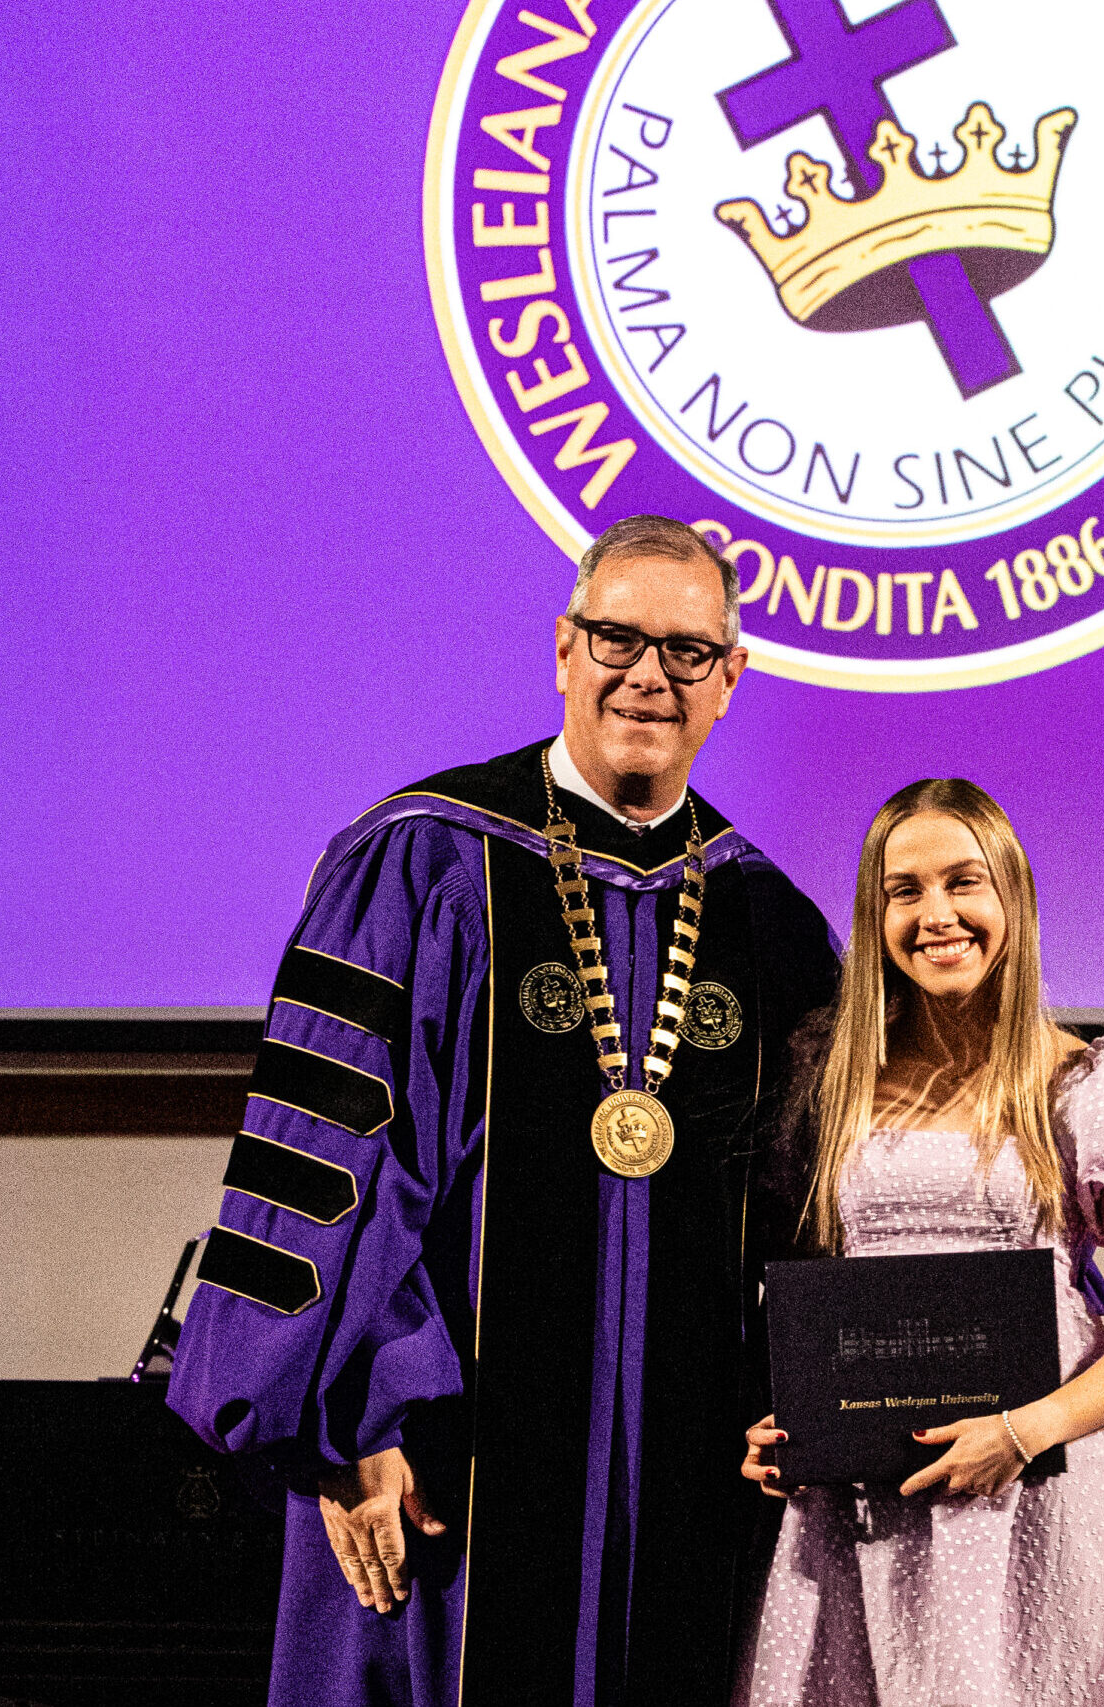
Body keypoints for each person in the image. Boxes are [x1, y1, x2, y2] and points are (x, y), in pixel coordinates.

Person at [168, 515, 839, 1707]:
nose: (649, 675)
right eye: (617, 638)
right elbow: (336, 1163)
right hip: (435, 1468)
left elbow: (812, 1214)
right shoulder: (422, 862)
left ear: (732, 680)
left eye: (687, 651)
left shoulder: (772, 926)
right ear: (565, 649)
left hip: (686, 1495)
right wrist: (363, 1416)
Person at [737, 779, 1104, 1707]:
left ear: (1011, 896)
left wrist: (1018, 1433)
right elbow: (801, 1298)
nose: (936, 915)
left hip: (1032, 1496)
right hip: (859, 1504)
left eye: (962, 882)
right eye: (904, 890)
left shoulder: (1095, 1082)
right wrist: (781, 1426)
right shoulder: (827, 1081)